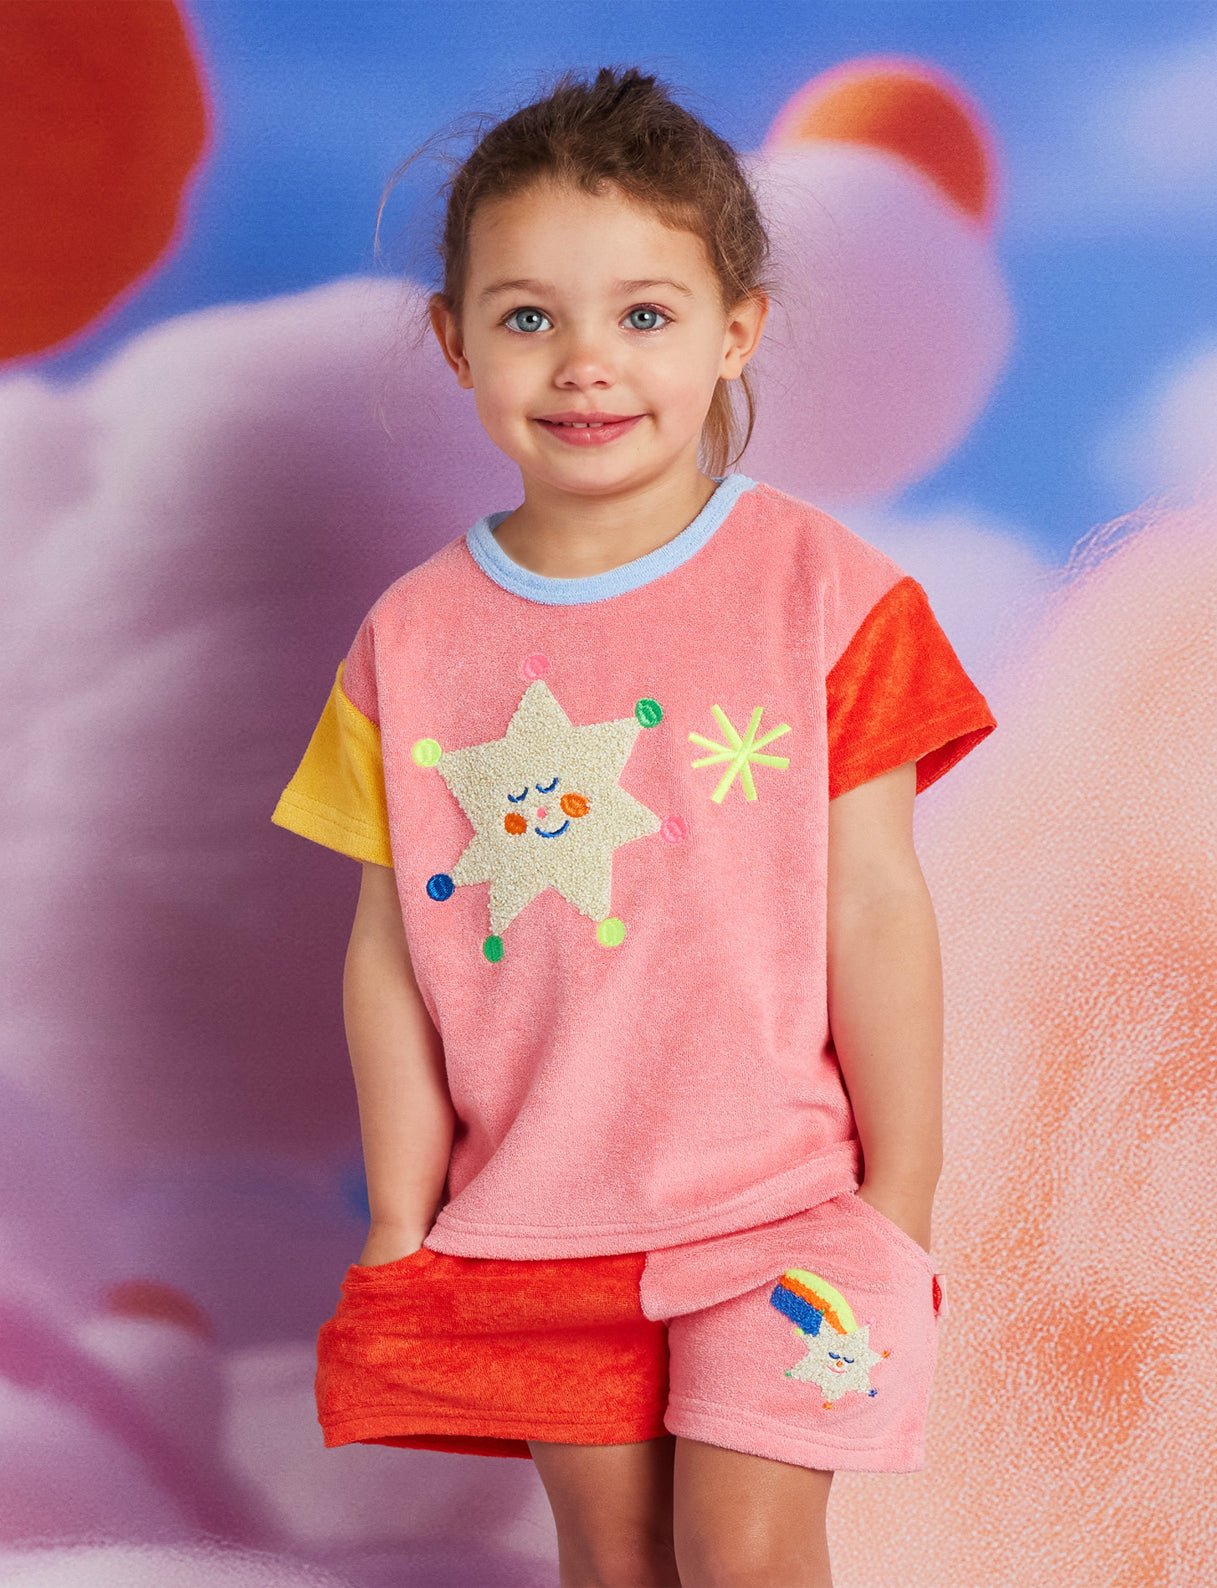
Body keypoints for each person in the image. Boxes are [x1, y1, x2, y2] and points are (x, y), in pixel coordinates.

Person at [271, 62, 996, 1588]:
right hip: (537, 1217)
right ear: (455, 340)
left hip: (787, 1204)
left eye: (645, 315)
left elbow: (874, 902)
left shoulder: (829, 595)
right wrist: (402, 1209)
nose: (586, 364)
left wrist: (902, 1192)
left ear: (735, 328)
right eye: (529, 317)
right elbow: (389, 951)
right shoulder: (407, 640)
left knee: (746, 1552)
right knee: (615, 1561)